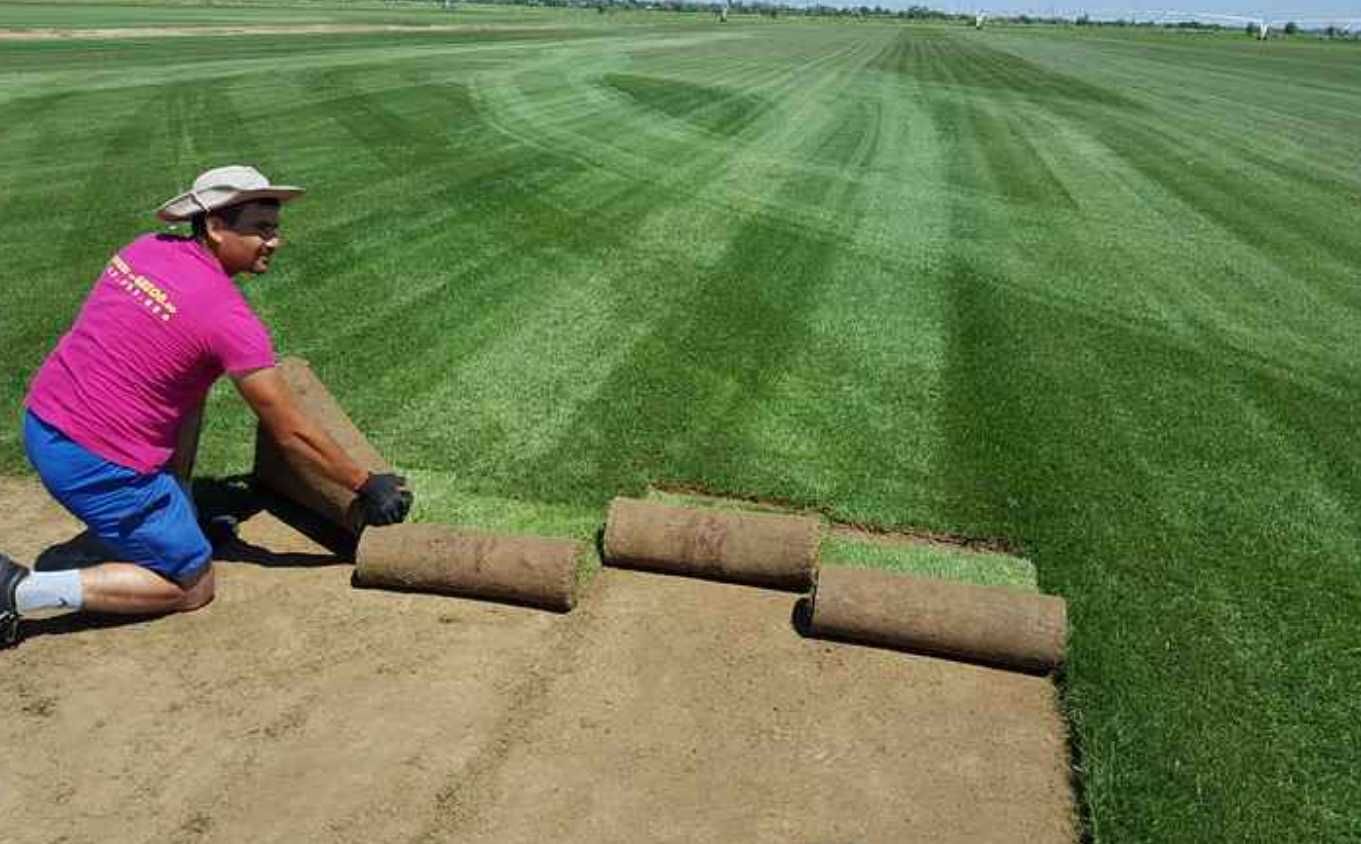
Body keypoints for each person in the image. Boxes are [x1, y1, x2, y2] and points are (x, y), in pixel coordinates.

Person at [1, 165, 412, 648]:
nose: (274, 242)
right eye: (261, 229)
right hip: (95, 462)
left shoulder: (144, 248)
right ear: (216, 226)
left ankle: (175, 510)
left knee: (192, 389)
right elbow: (291, 431)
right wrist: (366, 484)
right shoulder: (228, 319)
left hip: (43, 419)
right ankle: (20, 591)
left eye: (275, 229)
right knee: (191, 584)